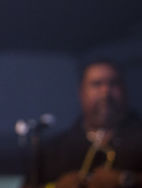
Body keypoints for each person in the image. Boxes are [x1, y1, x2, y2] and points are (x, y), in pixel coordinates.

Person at [32, 60, 142, 188]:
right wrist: (56, 186)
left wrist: (127, 179)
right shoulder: (54, 150)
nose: (105, 92)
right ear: (82, 92)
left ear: (124, 90)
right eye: (96, 84)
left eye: (113, 83)